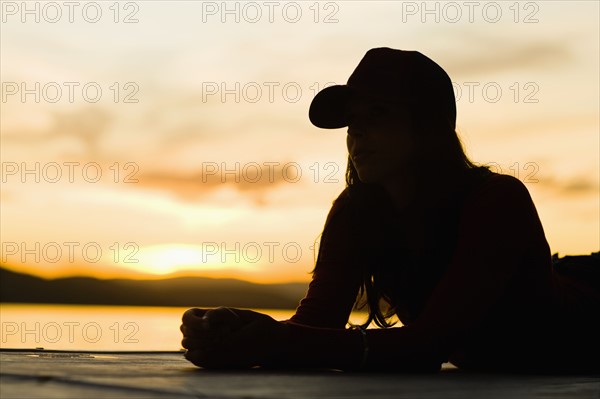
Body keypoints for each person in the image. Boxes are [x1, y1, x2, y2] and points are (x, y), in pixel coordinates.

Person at [180, 47, 600, 373]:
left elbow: (427, 347)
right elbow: (318, 324)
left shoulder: (497, 200)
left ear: (428, 128)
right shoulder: (355, 211)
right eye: (352, 120)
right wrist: (235, 329)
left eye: (377, 113)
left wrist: (272, 342)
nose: (356, 131)